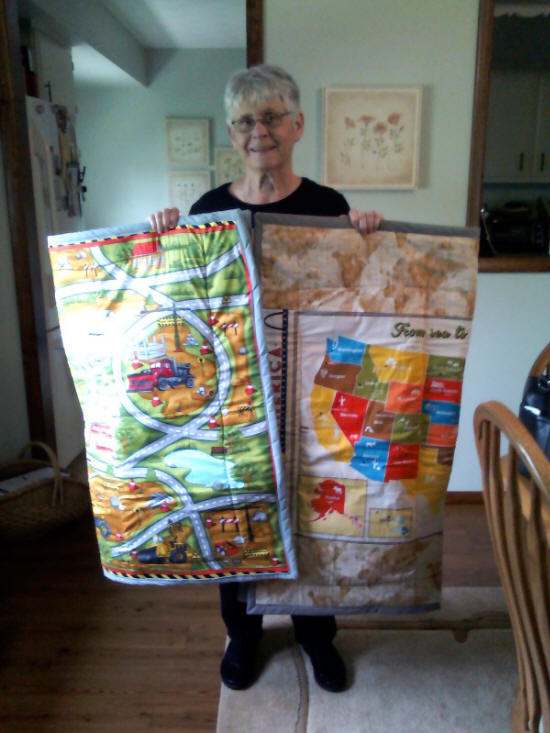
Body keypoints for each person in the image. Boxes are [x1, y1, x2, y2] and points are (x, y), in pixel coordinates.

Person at [150, 64, 383, 693]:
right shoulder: (206, 212)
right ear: (233, 133)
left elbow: (356, 295)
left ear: (298, 125)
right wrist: (165, 239)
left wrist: (367, 237)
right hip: (233, 397)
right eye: (247, 120)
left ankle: (315, 634)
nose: (261, 131)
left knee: (312, 515)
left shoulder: (328, 207)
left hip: (309, 390)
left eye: (273, 116)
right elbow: (183, 305)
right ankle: (244, 634)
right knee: (236, 511)